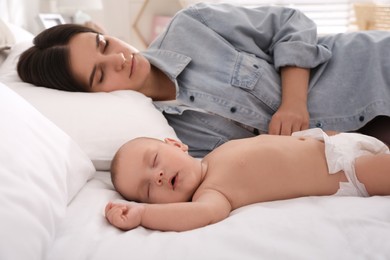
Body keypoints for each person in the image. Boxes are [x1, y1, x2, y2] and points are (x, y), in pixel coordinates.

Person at [17, 3, 390, 158]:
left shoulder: (191, 24)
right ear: (92, 97)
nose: (119, 58)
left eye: (104, 43)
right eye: (100, 74)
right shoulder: (171, 137)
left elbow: (291, 22)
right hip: (365, 141)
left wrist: (294, 102)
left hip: (369, 68)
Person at [105, 128, 390, 232]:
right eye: (146, 190)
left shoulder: (216, 154)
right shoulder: (212, 193)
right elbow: (200, 215)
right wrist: (143, 214)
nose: (157, 176)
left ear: (176, 144)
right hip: (348, 173)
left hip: (335, 142)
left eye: (155, 161)